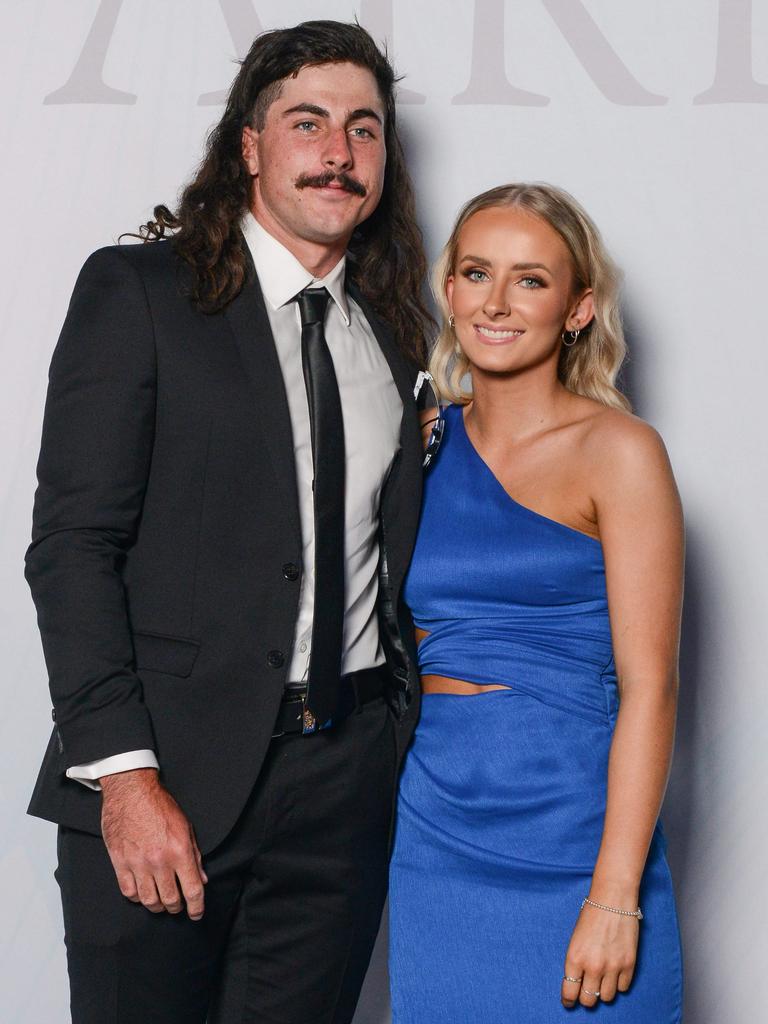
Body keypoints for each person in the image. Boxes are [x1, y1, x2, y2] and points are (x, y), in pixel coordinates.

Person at [25, 20, 432, 1024]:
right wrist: (125, 777)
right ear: (249, 145)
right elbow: (73, 547)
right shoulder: (141, 294)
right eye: (308, 122)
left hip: (344, 787)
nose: (339, 153)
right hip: (170, 775)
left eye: (364, 128)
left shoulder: (393, 329)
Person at [388, 183, 684, 1022]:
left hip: (578, 829)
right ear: (448, 291)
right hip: (438, 825)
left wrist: (614, 896)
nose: (496, 301)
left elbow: (652, 686)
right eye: (476, 272)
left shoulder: (618, 451)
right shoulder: (416, 442)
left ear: (579, 307)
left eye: (530, 280)